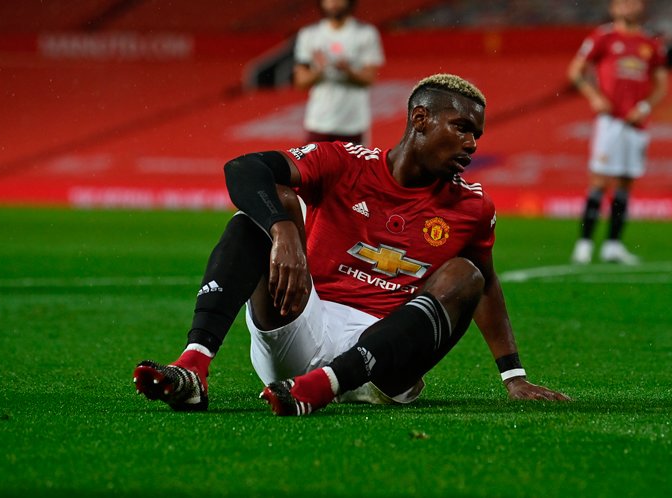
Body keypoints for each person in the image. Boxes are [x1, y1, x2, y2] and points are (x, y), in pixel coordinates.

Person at [133, 74, 571, 416]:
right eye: (461, 128)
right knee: (263, 212)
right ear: (420, 119)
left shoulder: (473, 206)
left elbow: (485, 286)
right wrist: (284, 230)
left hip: (383, 362)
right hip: (302, 326)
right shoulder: (343, 162)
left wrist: (513, 376)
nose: (472, 144)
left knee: (466, 274)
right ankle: (194, 364)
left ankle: (324, 386)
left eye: (477, 134)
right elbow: (244, 168)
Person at [567, 0, 668, 265]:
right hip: (609, 122)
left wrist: (644, 107)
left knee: (625, 183)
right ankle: (584, 244)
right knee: (599, 182)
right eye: (622, 3)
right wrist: (594, 97)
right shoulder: (603, 37)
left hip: (636, 124)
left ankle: (612, 245)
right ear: (613, 8)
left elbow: (661, 84)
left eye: (632, 3)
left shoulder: (650, 43)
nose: (627, 7)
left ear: (641, 7)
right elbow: (575, 71)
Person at [292, 0, 384, 144]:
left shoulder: (365, 33)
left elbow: (369, 79)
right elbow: (300, 82)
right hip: (319, 121)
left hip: (353, 123)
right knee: (312, 160)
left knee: (354, 161)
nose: (333, 3)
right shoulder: (309, 35)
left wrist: (348, 72)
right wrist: (319, 71)